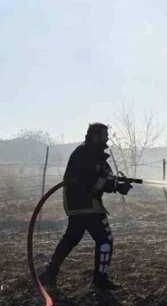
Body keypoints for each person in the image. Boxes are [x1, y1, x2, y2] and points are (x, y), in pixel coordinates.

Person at [39, 123, 132, 290]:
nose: (107, 138)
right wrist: (115, 186)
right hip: (86, 204)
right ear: (95, 136)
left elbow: (104, 178)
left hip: (79, 204)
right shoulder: (84, 154)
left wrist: (118, 184)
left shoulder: (92, 153)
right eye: (104, 135)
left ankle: (50, 273)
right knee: (105, 239)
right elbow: (91, 181)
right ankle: (100, 280)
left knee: (72, 237)